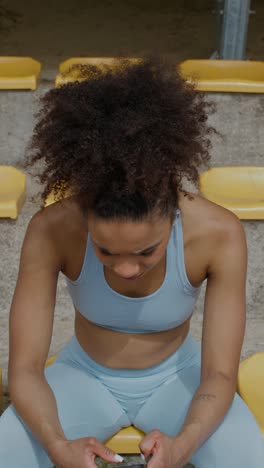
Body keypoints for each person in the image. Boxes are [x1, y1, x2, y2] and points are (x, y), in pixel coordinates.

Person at [0, 57, 263, 468]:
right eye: (105, 251)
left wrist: (185, 445)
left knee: (250, 459)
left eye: (147, 252)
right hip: (82, 376)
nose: (125, 269)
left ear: (172, 210)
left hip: (182, 378)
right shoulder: (52, 229)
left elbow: (219, 376)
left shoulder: (218, 233)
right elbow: (25, 371)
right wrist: (56, 446)